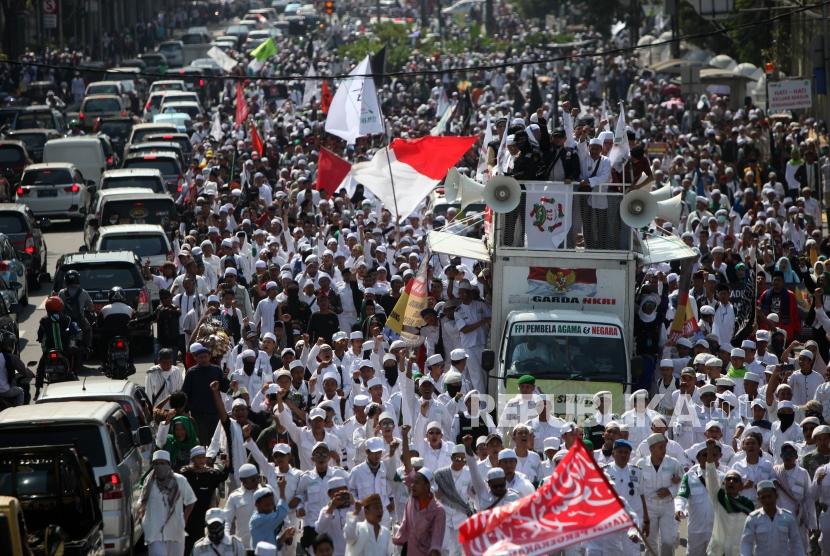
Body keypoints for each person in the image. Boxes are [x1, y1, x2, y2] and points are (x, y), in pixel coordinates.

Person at [139, 450, 197, 556]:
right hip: (154, 532)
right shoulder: (149, 483)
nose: (159, 466)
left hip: (175, 530)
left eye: (162, 463)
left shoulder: (180, 480)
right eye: (156, 463)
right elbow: (142, 503)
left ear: (169, 464)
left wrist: (184, 520)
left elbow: (191, 501)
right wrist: (143, 521)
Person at [180, 445, 230, 555]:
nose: (201, 460)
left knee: (198, 541)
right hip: (188, 513)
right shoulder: (185, 473)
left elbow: (223, 476)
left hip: (202, 514)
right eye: (198, 458)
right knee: (185, 543)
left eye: (203, 457)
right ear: (193, 459)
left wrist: (226, 465)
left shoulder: (210, 473)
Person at [739, 480, 804, 555]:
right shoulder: (752, 519)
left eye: (769, 496)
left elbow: (796, 543)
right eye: (763, 497)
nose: (767, 500)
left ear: (776, 496)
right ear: (758, 499)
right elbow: (746, 543)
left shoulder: (788, 518)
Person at [182, 342, 229, 444]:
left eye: (205, 357)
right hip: (197, 413)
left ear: (209, 357)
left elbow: (225, 388)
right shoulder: (191, 372)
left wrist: (225, 378)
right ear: (196, 358)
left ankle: (211, 459)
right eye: (200, 357)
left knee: (214, 441)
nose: (203, 359)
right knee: (200, 440)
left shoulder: (216, 370)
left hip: (214, 411)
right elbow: (185, 392)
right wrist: (185, 410)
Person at [392, 467, 445, 556]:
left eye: (417, 483)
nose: (412, 485)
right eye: (412, 482)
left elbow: (437, 536)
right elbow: (405, 524)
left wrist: (434, 552)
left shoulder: (438, 510)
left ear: (427, 486)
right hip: (408, 550)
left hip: (425, 552)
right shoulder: (411, 501)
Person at [249, 483, 294, 549]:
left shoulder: (267, 518)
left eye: (272, 504)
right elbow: (282, 512)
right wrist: (282, 489)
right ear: (257, 504)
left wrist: (284, 536)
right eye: (267, 505)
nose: (270, 507)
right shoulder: (258, 520)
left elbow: (274, 545)